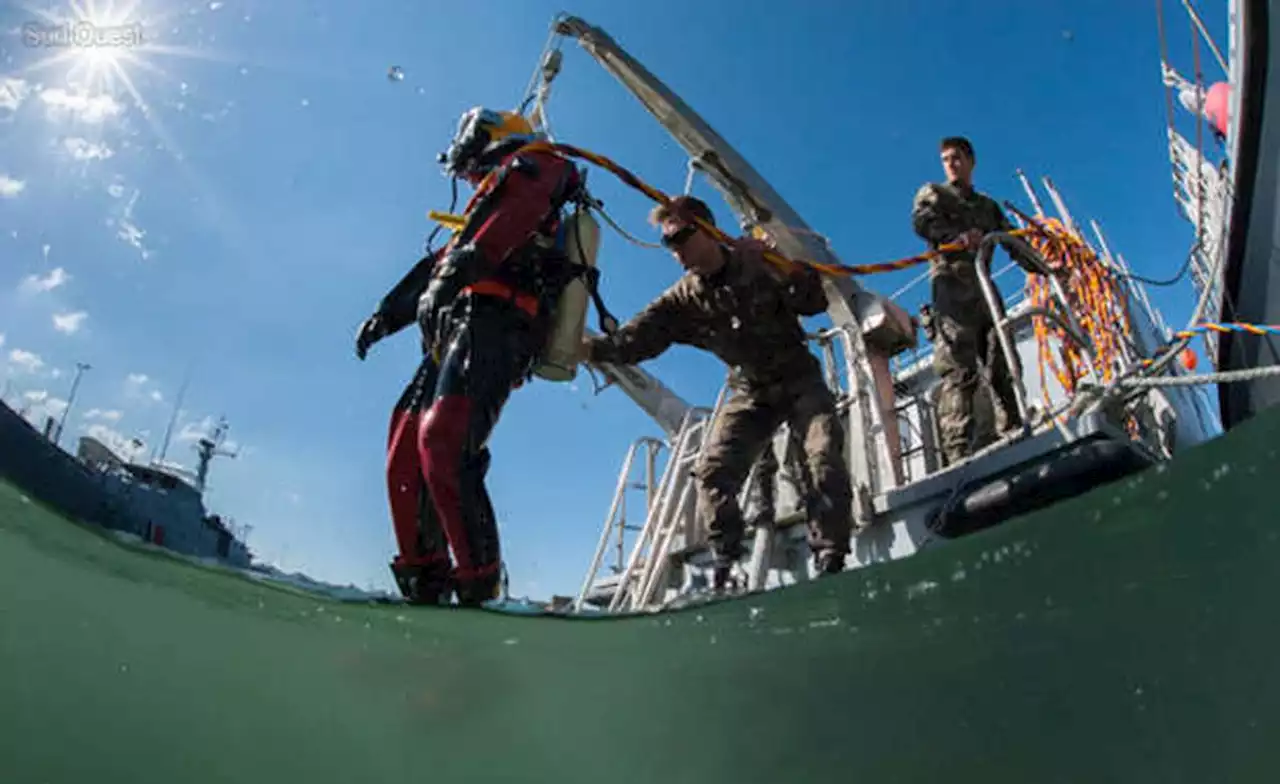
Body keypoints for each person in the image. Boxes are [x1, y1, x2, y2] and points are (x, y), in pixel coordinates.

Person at [355, 106, 585, 606]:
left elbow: (498, 228)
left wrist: (464, 266)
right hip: (453, 328)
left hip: (499, 323)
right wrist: (384, 316)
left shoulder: (536, 164)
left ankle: (480, 583)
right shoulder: (480, 212)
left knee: (446, 439)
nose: (464, 171)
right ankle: (423, 577)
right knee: (405, 445)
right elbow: (437, 268)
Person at [581, 195, 853, 590]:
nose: (673, 251)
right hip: (751, 390)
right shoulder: (681, 300)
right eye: (666, 244)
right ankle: (726, 561)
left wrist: (781, 266)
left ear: (708, 229)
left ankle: (830, 558)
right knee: (711, 473)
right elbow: (633, 342)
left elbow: (812, 301)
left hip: (797, 376)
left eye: (679, 238)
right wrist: (584, 349)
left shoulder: (757, 262)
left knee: (822, 451)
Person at [911, 135, 1043, 467]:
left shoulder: (987, 206)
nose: (951, 164)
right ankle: (957, 456)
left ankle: (1013, 429)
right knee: (958, 370)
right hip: (952, 290)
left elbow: (1013, 242)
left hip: (984, 289)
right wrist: (954, 238)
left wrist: (1047, 268)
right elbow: (922, 221)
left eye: (956, 158)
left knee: (1001, 361)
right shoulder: (935, 194)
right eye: (945, 159)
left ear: (971, 161)